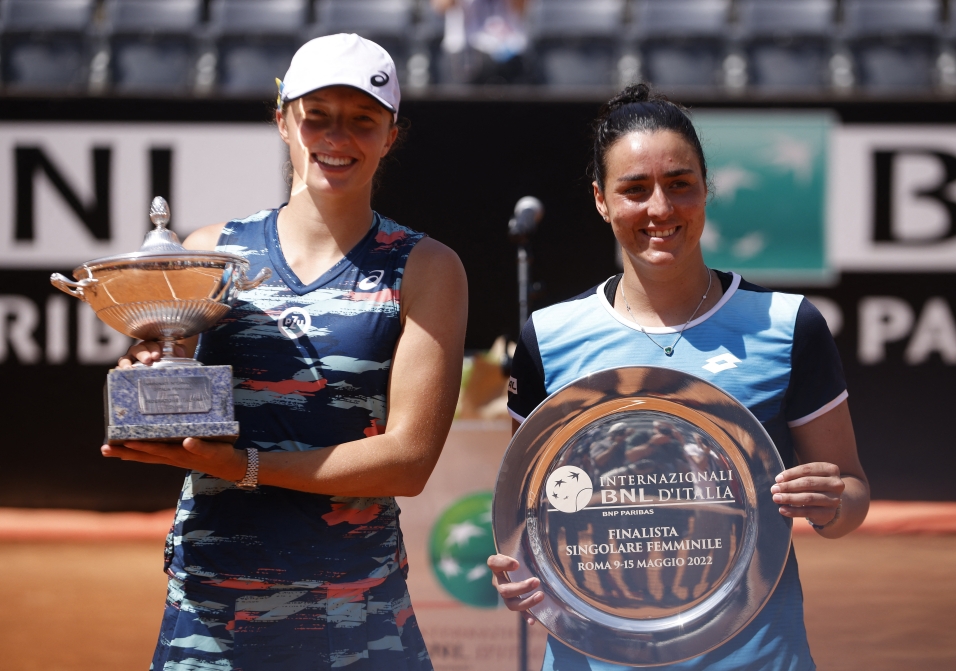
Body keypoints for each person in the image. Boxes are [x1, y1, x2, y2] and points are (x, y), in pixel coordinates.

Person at [103, 34, 468, 671]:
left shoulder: (427, 268)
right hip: (212, 615)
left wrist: (241, 463)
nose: (337, 137)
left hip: (358, 617)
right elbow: (173, 391)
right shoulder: (209, 249)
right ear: (282, 121)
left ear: (391, 135)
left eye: (362, 120)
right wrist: (149, 377)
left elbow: (408, 462)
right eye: (316, 116)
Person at [488, 83, 869, 670]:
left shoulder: (787, 325)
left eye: (679, 184)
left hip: (757, 657)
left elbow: (852, 497)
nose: (660, 209)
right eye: (635, 190)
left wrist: (830, 501)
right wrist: (521, 575)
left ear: (706, 190)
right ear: (600, 200)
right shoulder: (548, 338)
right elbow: (533, 515)